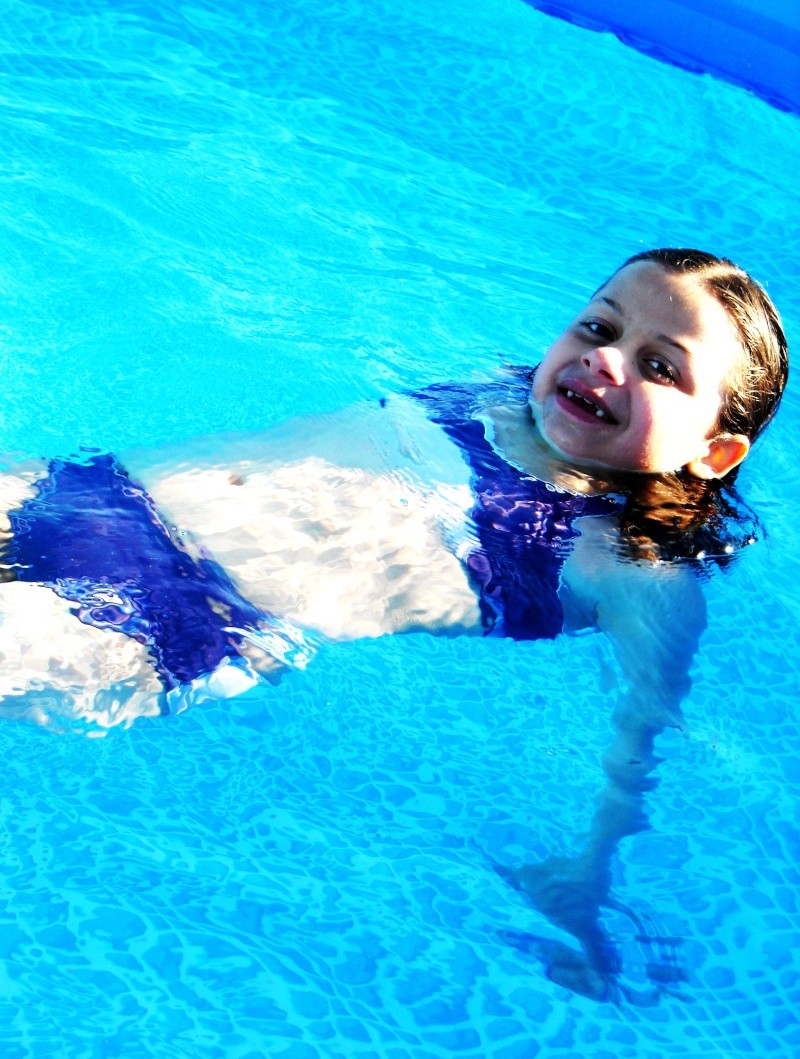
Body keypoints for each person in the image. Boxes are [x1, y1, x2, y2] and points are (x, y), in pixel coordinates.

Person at [0, 247, 788, 997]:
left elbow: (642, 730)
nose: (605, 359)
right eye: (600, 326)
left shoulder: (630, 570)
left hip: (171, 613)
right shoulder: (495, 393)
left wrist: (586, 874)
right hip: (89, 494)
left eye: (659, 367)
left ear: (715, 453)